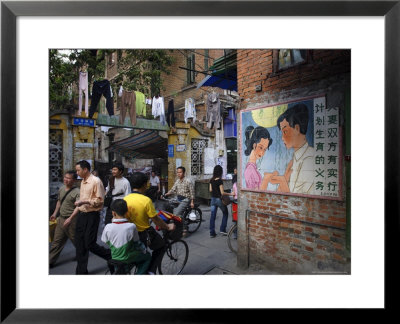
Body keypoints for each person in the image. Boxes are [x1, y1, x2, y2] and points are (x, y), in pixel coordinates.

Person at [124, 172, 175, 274]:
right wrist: (167, 226)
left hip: (128, 233)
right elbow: (156, 220)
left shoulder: (125, 199)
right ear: (144, 185)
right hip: (143, 233)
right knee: (161, 246)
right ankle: (151, 271)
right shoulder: (146, 200)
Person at [74, 160, 111, 274]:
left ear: (85, 169)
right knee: (79, 244)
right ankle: (81, 271)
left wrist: (84, 201)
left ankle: (110, 255)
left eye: (78, 170)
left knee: (89, 243)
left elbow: (100, 201)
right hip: (82, 215)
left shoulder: (96, 181)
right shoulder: (82, 181)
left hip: (92, 215)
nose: (77, 172)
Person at [270, 104, 314, 194]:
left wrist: (282, 180)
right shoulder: (294, 159)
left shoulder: (309, 158)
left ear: (297, 128)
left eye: (285, 131)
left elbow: (297, 197)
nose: (282, 137)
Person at [101, 199, 151, 275]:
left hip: (114, 257)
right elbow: (136, 242)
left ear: (113, 213)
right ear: (127, 212)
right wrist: (144, 250)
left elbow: (104, 240)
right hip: (128, 257)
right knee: (147, 257)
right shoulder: (131, 226)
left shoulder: (108, 227)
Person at [49, 171, 80, 268]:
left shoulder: (77, 192)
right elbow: (59, 201)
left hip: (72, 220)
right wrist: (54, 213)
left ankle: (81, 255)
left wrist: (70, 218)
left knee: (76, 240)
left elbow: (78, 207)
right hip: (61, 219)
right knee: (56, 242)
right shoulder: (62, 188)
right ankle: (50, 261)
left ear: (74, 180)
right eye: (65, 177)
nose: (65, 179)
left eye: (68, 178)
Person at [164, 166, 195, 236]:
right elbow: (173, 189)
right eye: (177, 172)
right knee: (169, 208)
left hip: (185, 199)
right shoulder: (177, 181)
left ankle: (185, 227)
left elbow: (192, 192)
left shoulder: (188, 181)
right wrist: (166, 194)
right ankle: (175, 224)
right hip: (178, 199)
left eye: (180, 172)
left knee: (177, 214)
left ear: (184, 173)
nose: (178, 174)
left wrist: (192, 202)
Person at [244, 126, 274, 190]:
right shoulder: (250, 169)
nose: (262, 152)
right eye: (260, 147)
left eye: (265, 149)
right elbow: (255, 193)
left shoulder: (253, 167)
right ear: (254, 145)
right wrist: (266, 179)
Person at [209, 165, 234, 238]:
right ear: (220, 172)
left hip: (213, 199)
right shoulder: (219, 181)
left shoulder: (211, 180)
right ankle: (222, 229)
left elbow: (210, 190)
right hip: (219, 199)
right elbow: (222, 193)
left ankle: (212, 233)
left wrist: (214, 190)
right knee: (225, 213)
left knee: (212, 216)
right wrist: (230, 193)